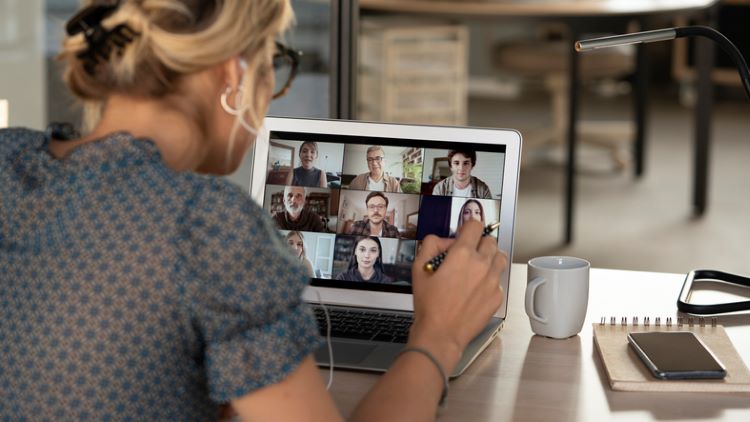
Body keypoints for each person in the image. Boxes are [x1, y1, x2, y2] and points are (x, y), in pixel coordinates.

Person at [0, 0, 507, 420]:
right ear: (234, 72)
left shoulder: (7, 159)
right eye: (275, 62)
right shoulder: (206, 225)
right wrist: (440, 334)